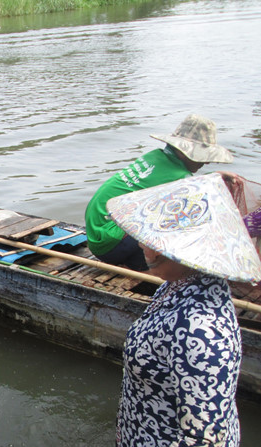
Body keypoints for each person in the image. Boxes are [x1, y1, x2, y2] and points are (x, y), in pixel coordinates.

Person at [106, 173, 261, 446]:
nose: (143, 245)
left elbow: (204, 439)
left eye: (153, 241)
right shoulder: (177, 283)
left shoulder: (202, 330)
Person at [85, 114, 233, 271]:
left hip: (97, 232)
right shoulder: (179, 179)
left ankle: (136, 260)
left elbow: (176, 180)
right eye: (203, 157)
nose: (206, 162)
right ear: (183, 152)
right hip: (109, 244)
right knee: (181, 219)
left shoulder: (155, 156)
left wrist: (214, 177)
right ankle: (140, 264)